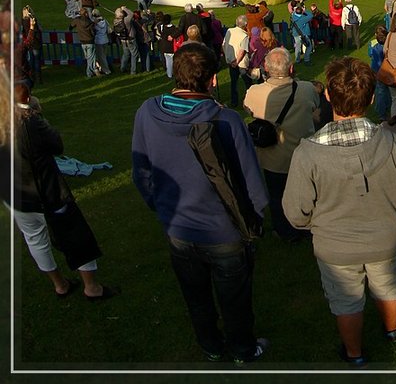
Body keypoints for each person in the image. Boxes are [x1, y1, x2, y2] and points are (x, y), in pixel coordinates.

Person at [282, 57, 396, 367]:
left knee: (346, 301)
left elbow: (295, 214)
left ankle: (355, 354)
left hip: (335, 247)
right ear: (372, 98)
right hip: (383, 238)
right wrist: (386, 210)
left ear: (328, 98)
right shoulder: (394, 143)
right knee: (388, 286)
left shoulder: (307, 153)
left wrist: (322, 222)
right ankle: (392, 330)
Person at [131, 42, 269, 365]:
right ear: (212, 79)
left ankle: (211, 344)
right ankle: (241, 348)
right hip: (223, 232)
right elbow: (253, 185)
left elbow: (142, 173)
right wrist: (255, 217)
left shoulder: (147, 112)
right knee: (233, 298)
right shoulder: (226, 121)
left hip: (180, 227)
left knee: (196, 295)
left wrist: (163, 207)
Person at [3, 72, 116, 299]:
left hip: (15, 193)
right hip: (46, 192)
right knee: (75, 235)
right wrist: (37, 116)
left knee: (35, 237)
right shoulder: (30, 123)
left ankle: (60, 284)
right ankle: (91, 287)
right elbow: (56, 144)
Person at [243, 46, 318, 243]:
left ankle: (285, 230)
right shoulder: (307, 89)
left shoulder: (255, 92)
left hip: (273, 157)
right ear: (291, 68)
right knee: (305, 193)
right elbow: (315, 105)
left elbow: (248, 109)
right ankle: (305, 227)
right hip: (302, 153)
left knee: (277, 195)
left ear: (266, 69)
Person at [222, 14, 251, 107]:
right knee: (247, 82)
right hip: (241, 63)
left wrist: (228, 56)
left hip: (230, 60)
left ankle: (234, 102)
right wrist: (237, 61)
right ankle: (250, 100)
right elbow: (242, 51)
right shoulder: (244, 35)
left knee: (233, 83)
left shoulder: (229, 31)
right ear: (245, 25)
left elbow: (223, 45)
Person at [368, 25, 391, 120]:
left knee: (380, 91)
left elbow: (370, 54)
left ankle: (381, 112)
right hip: (387, 70)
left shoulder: (372, 44)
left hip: (376, 70)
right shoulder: (389, 45)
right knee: (388, 89)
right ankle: (388, 106)